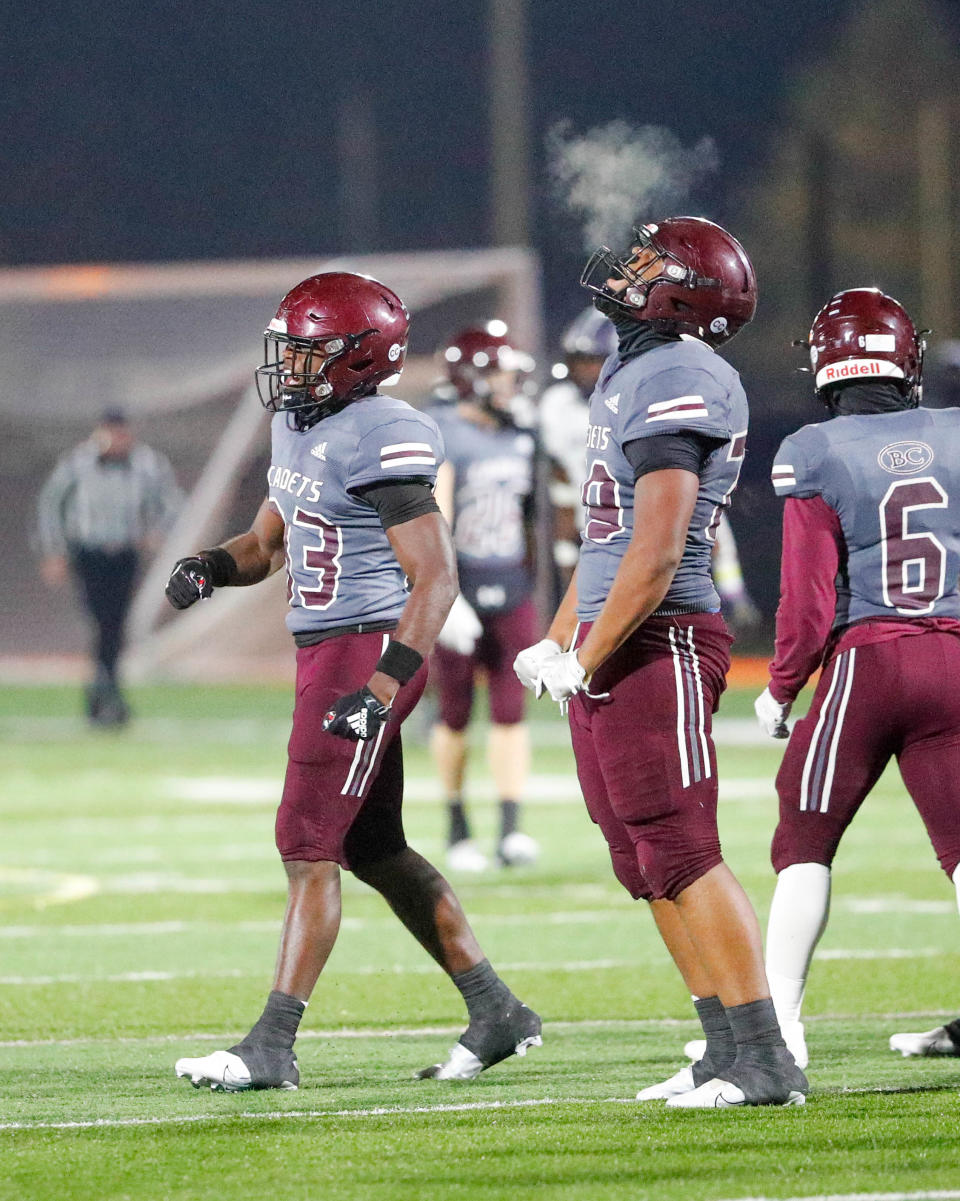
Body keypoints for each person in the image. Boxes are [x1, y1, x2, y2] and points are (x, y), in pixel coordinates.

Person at [167, 272, 541, 1092]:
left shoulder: (385, 431)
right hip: (323, 647)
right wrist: (209, 565)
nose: (291, 366)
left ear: (359, 358)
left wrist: (381, 687)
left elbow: (435, 576)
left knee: (306, 841)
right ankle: (497, 1008)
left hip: (365, 648)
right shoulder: (298, 422)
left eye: (309, 351)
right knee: (375, 845)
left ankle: (272, 1043)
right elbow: (267, 543)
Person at [515, 217, 808, 1108]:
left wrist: (590, 649)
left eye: (650, 265)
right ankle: (723, 1046)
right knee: (638, 857)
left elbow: (656, 546)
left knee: (682, 848)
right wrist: (562, 635)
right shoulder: (631, 369)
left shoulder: (681, 373)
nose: (627, 273)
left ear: (683, 294)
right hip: (616, 635)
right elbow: (603, 541)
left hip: (662, 634)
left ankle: (766, 1056)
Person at [753, 287, 960, 1071]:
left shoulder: (815, 448)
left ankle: (778, 1033)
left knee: (803, 838)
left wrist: (780, 686)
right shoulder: (954, 431)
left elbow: (806, 600)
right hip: (957, 656)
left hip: (870, 661)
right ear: (905, 357)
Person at [428, 325, 542, 872]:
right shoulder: (444, 433)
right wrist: (443, 595)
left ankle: (512, 829)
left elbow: (530, 520)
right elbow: (436, 520)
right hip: (462, 588)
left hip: (511, 586)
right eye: (500, 374)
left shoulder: (521, 433)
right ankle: (457, 828)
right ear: (472, 379)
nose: (511, 385)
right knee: (453, 711)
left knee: (511, 709)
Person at [36, 408, 182, 726]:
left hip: (124, 553)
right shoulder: (77, 463)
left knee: (114, 624)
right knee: (103, 623)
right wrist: (55, 551)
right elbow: (52, 505)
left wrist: (156, 531)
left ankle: (102, 693)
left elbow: (171, 501)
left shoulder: (147, 464)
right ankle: (107, 692)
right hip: (89, 554)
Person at [539, 307, 619, 587]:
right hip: (584, 531)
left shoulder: (634, 402)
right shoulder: (557, 404)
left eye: (594, 361)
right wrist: (564, 547)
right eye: (580, 361)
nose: (585, 370)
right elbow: (557, 476)